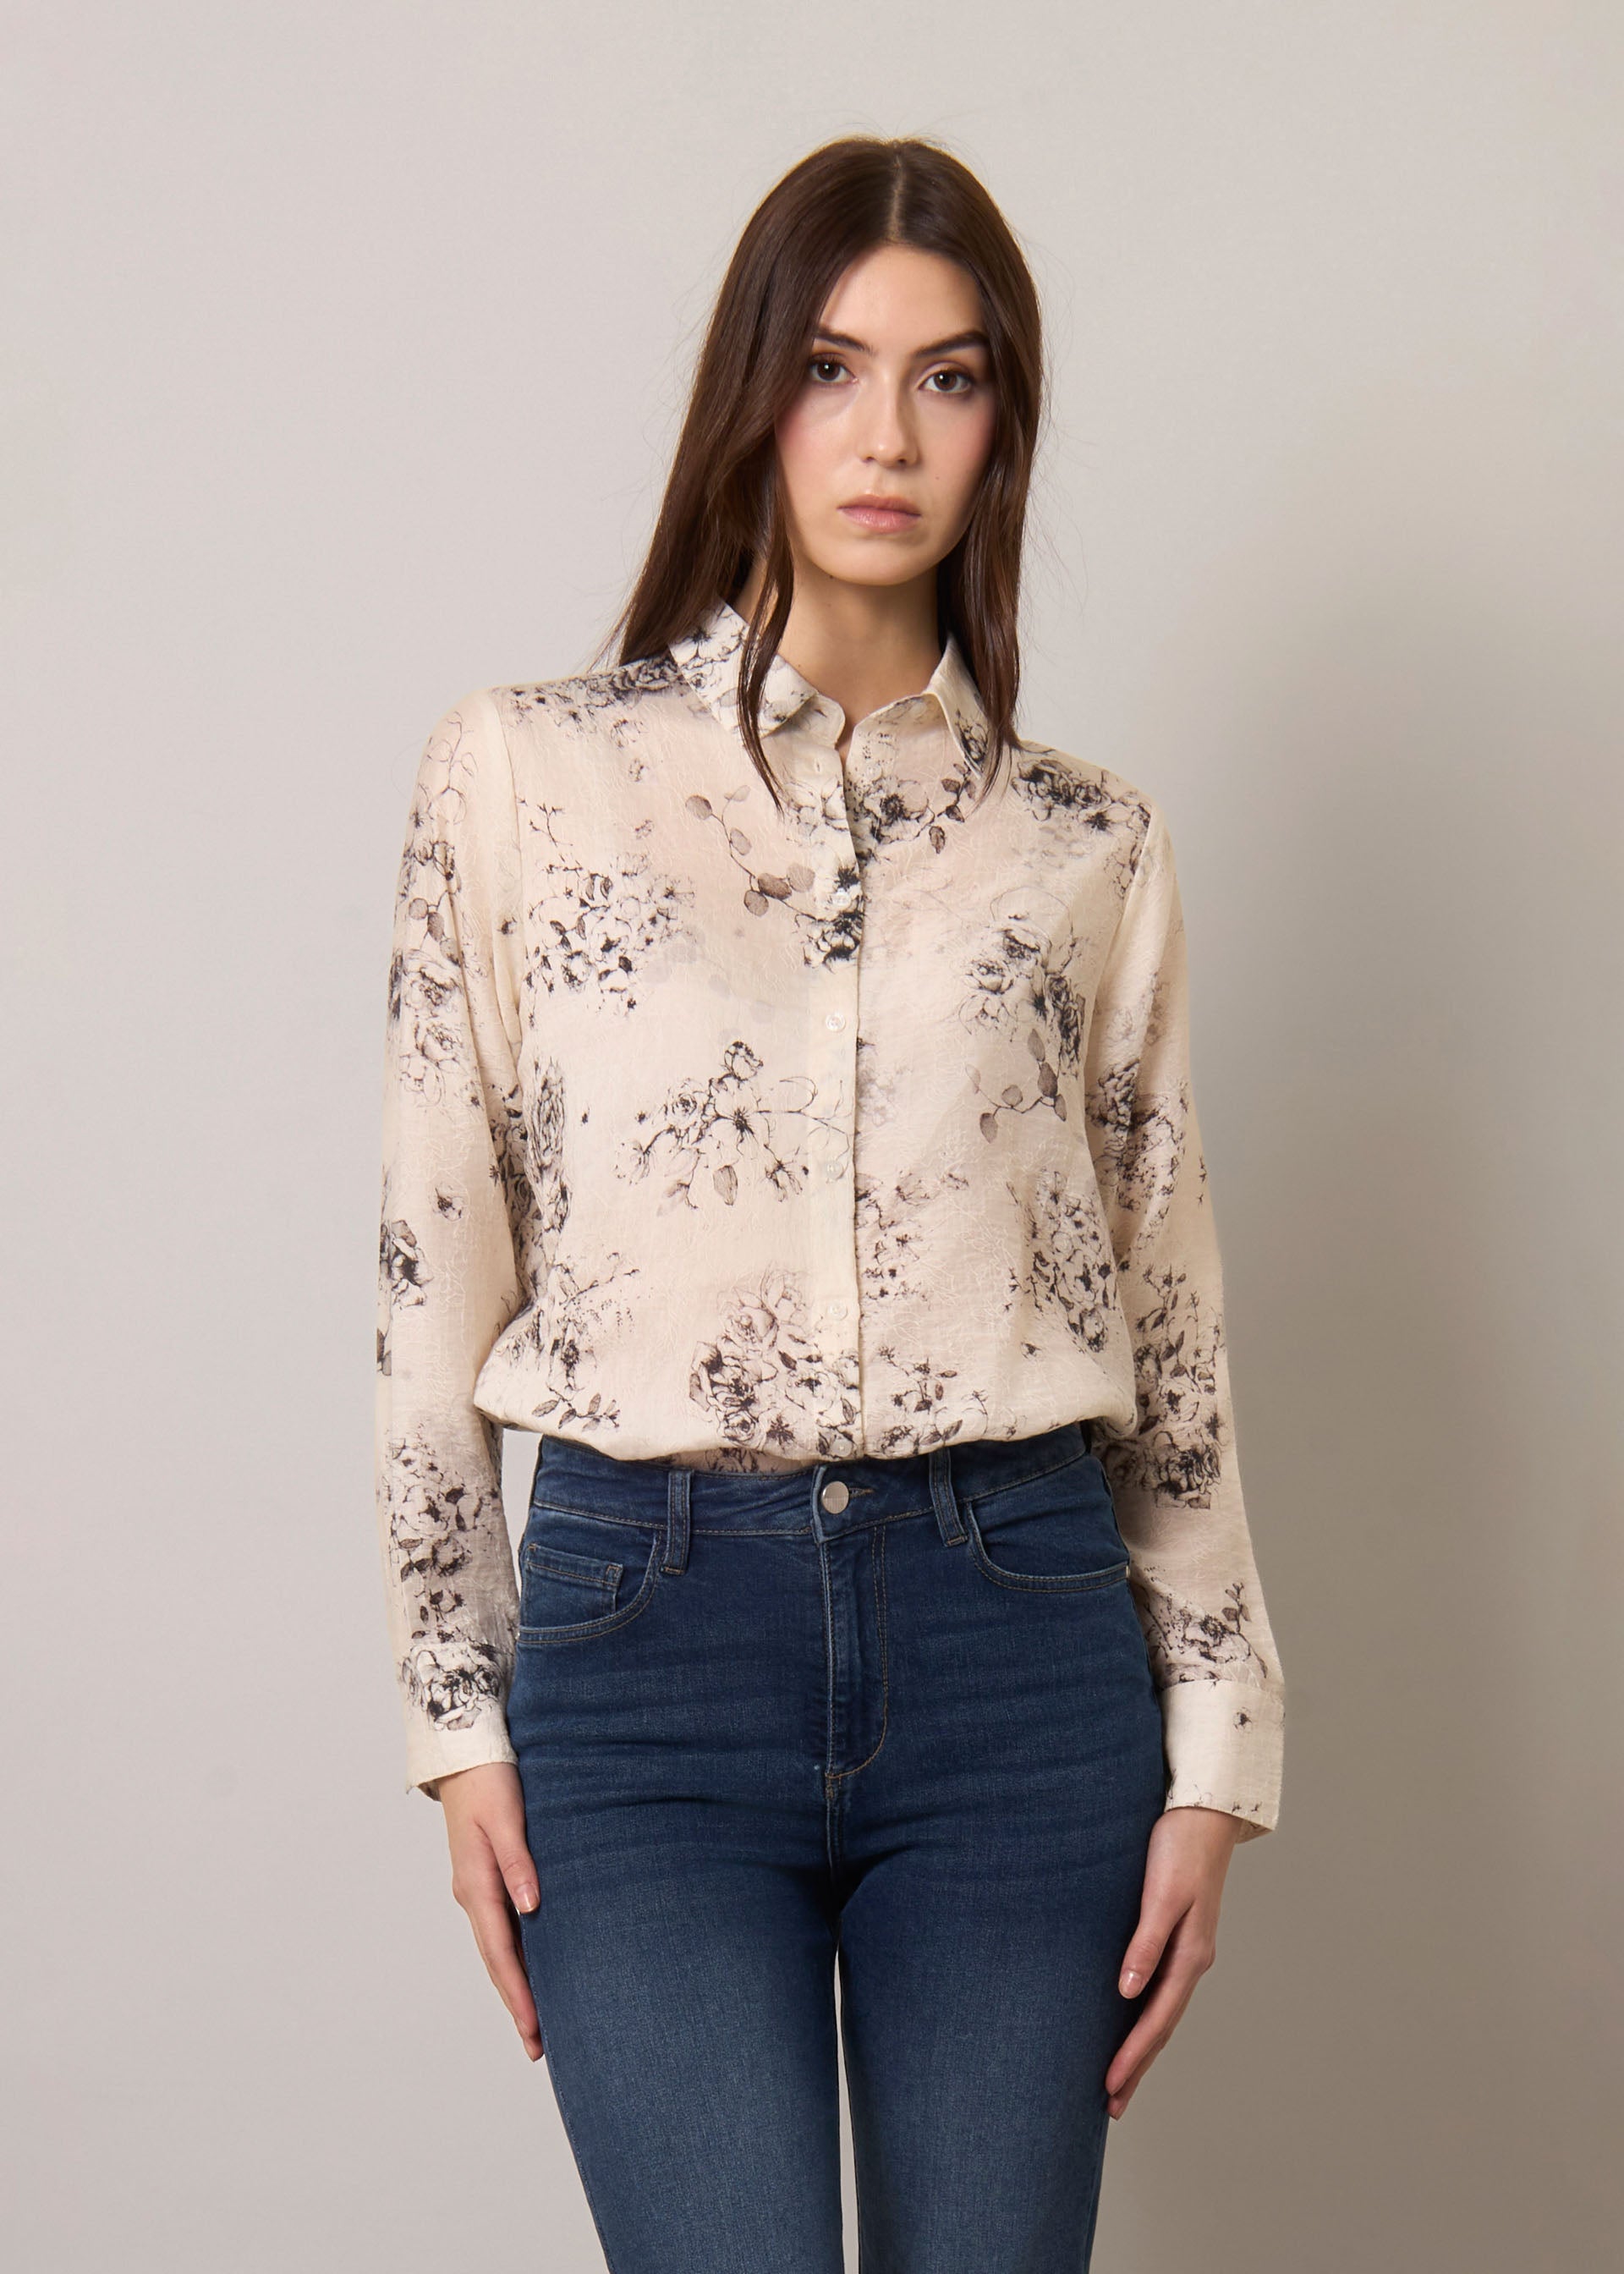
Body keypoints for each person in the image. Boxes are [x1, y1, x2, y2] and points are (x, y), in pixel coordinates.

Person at [374, 133, 1286, 2273]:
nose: (887, 438)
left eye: (948, 379)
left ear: (1002, 426)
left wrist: (1219, 1746)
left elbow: (1164, 1310)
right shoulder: (528, 776)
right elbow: (434, 1265)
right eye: (832, 370)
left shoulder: (1090, 845)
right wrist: (452, 1711)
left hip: (1020, 1648)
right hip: (645, 1650)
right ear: (753, 397)